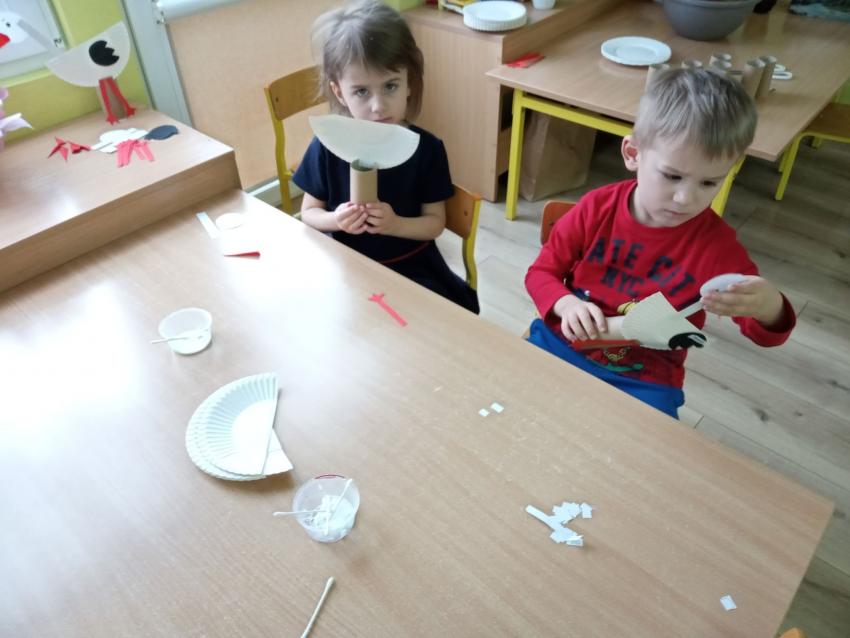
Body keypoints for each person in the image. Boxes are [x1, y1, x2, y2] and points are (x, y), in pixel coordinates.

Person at [525, 68, 796, 418]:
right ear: (633, 153)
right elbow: (541, 273)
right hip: (563, 342)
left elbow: (765, 334)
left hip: (645, 376)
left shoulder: (717, 250)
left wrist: (769, 306)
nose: (686, 199)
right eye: (672, 176)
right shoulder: (596, 209)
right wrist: (565, 304)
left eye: (709, 183)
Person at [293, 0, 479, 314]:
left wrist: (395, 224)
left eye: (390, 86)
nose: (378, 106)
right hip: (346, 267)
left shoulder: (427, 149)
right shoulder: (327, 146)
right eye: (361, 91)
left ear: (409, 84)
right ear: (339, 93)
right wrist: (336, 220)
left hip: (411, 268)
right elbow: (309, 213)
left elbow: (434, 223)